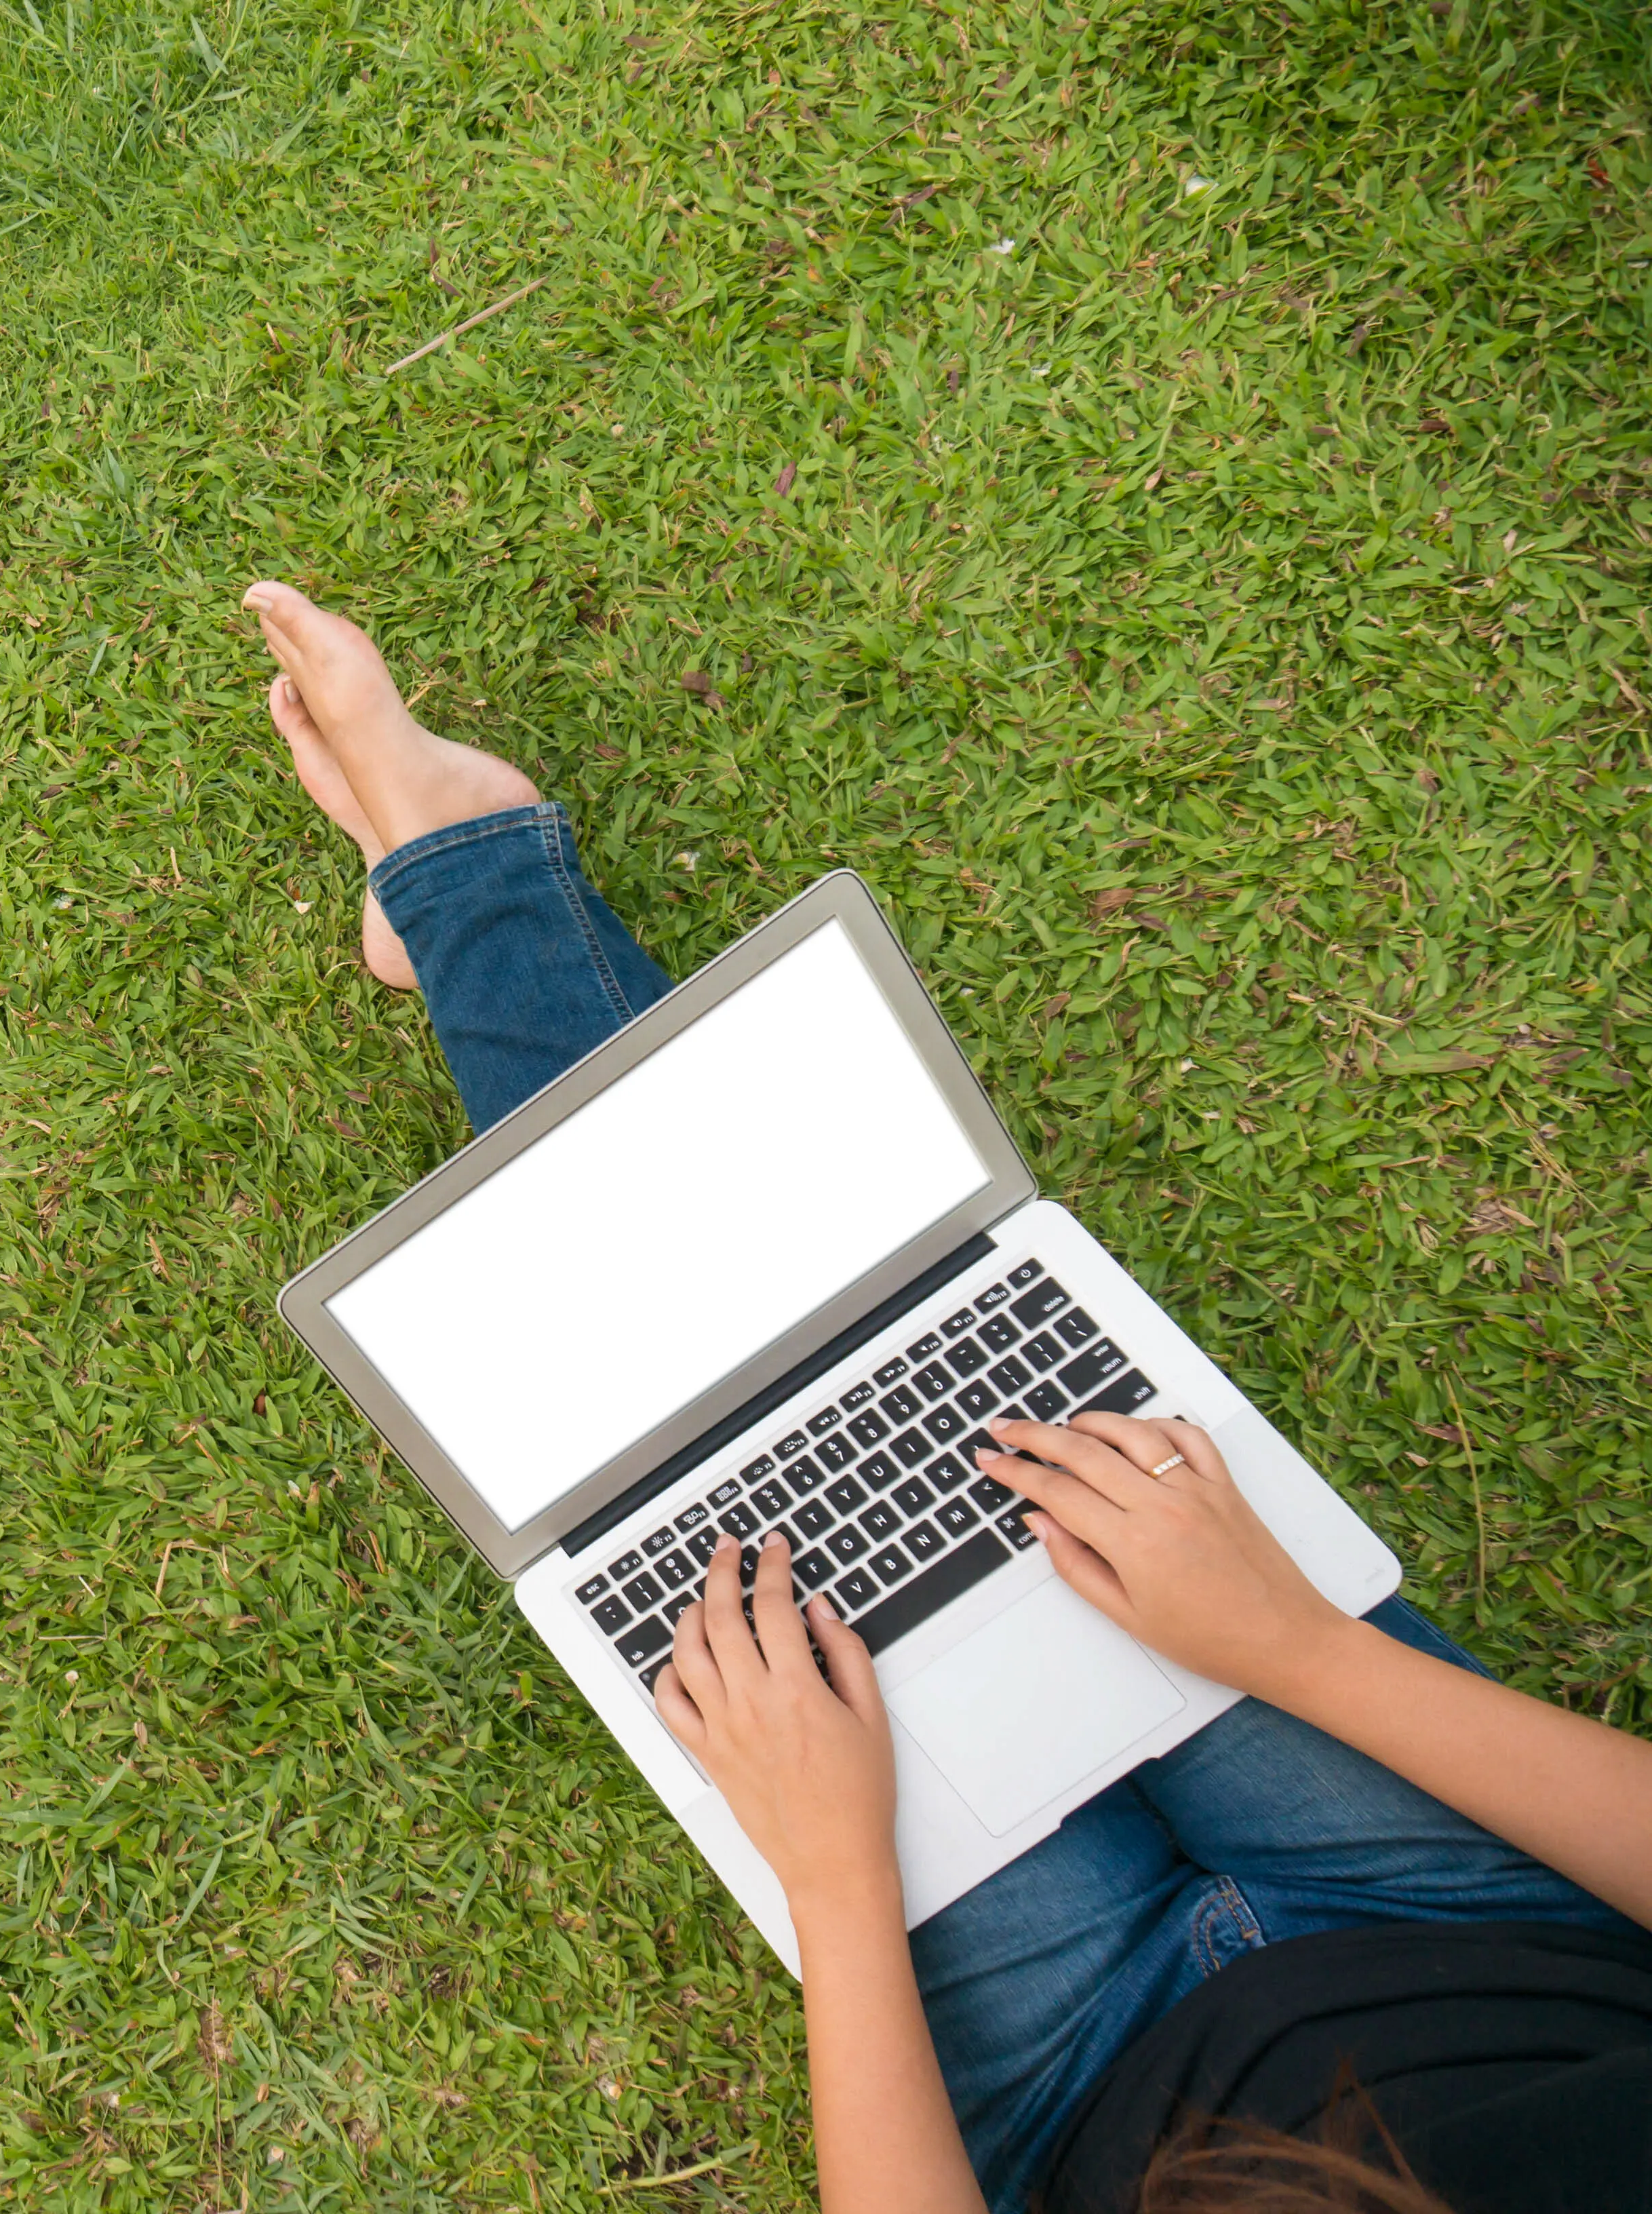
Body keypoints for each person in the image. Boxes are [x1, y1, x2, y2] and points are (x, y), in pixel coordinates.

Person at [241, 579, 1652, 2214]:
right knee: (915, 1328)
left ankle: (465, 877)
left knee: (690, 1463)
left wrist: (833, 1884)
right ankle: (460, 876)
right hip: (1471, 1926)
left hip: (1068, 2099)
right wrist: (1296, 1642)